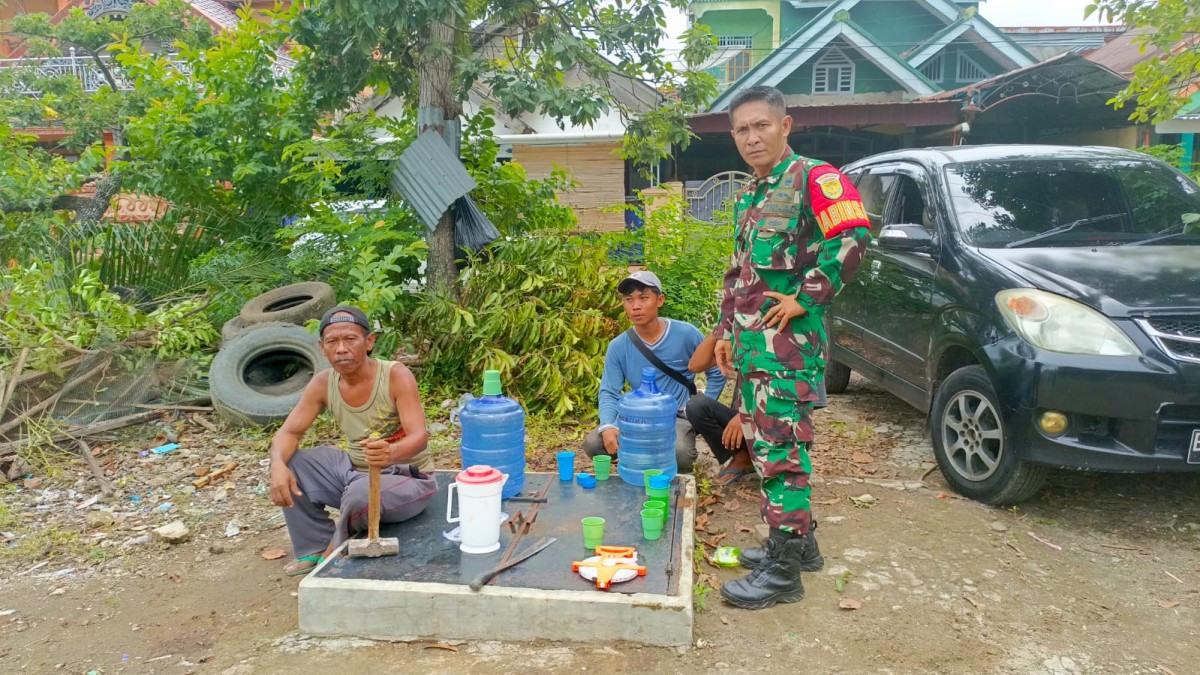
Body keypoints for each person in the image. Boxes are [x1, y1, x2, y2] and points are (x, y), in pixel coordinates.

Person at [713, 86, 871, 610]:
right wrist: (723, 332)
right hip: (755, 349)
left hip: (789, 349)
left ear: (786, 125)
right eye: (742, 129)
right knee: (775, 446)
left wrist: (808, 296)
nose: (752, 137)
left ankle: (783, 573)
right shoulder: (752, 193)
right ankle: (802, 548)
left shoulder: (815, 177)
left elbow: (851, 239)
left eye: (761, 125)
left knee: (779, 453)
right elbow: (741, 274)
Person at [268, 306, 438, 576]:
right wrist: (277, 464)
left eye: (350, 339)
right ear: (322, 347)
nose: (341, 349)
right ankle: (315, 546)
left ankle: (333, 552)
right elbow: (289, 433)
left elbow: (419, 436)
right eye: (333, 342)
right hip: (354, 473)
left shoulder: (395, 375)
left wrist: (391, 452)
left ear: (369, 342)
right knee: (293, 461)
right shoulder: (323, 383)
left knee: (360, 494)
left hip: (407, 477)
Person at [582, 270, 726, 472]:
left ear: (659, 300)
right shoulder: (619, 346)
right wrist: (607, 426)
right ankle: (643, 454)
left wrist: (698, 413)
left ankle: (652, 453)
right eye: (629, 299)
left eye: (643, 298)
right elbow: (609, 391)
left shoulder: (686, 334)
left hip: (674, 416)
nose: (636, 306)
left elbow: (717, 372)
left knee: (680, 454)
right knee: (594, 444)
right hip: (635, 415)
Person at [685, 333, 828, 487]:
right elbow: (695, 365)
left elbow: (803, 407)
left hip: (785, 426)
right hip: (745, 427)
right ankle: (742, 458)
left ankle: (778, 466)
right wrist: (722, 328)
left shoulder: (795, 340)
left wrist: (747, 415)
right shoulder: (741, 333)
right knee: (696, 406)